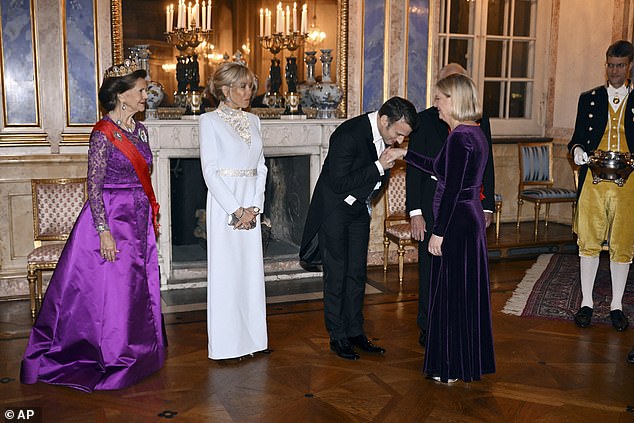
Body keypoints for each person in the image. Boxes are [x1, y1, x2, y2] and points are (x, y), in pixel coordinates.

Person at [20, 59, 166, 392]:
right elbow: (94, 185)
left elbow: (145, 176)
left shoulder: (140, 130)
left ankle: (141, 353)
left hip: (138, 218)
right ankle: (113, 355)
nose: (147, 95)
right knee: (114, 292)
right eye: (142, 90)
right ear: (123, 95)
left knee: (136, 286)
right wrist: (103, 231)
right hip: (111, 218)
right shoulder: (103, 133)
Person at [300, 96, 419, 360]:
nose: (400, 142)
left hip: (358, 211)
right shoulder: (348, 134)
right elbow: (340, 182)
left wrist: (367, 195)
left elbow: (376, 180)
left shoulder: (386, 134)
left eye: (405, 137)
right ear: (384, 120)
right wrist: (379, 165)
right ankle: (337, 336)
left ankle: (355, 332)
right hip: (335, 212)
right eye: (398, 134)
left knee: (356, 274)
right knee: (337, 274)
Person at [403, 73, 495, 383]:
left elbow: (452, 187)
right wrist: (405, 154)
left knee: (452, 293)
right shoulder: (473, 133)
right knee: (463, 292)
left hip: (455, 221)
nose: (436, 105)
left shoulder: (459, 137)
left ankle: (452, 367)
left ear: (453, 100)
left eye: (440, 99)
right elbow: (439, 169)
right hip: (467, 218)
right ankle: (464, 361)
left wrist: (438, 232)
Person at [199, 62, 268, 360]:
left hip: (250, 204)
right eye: (242, 86)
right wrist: (236, 210)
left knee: (250, 273)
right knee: (227, 274)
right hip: (225, 203)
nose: (248, 92)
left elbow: (262, 167)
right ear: (225, 90)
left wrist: (255, 207)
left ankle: (253, 340)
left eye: (251, 86)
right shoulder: (208, 121)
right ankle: (227, 345)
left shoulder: (254, 121)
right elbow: (209, 171)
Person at [569, 40, 634, 332]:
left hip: (629, 183)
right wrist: (577, 151)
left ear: (629, 66)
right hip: (593, 181)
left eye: (620, 65)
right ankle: (587, 303)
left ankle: (617, 305)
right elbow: (576, 138)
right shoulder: (590, 98)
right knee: (589, 244)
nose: (614, 71)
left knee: (623, 245)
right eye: (610, 65)